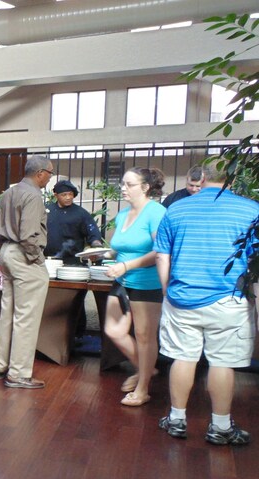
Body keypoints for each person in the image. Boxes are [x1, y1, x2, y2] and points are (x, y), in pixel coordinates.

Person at [154, 163, 258, 445]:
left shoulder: (177, 209)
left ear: (201, 178)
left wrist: (167, 291)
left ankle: (176, 419)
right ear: (232, 178)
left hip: (181, 297)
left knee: (183, 357)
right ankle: (221, 427)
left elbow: (162, 256)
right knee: (222, 363)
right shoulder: (251, 210)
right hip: (229, 299)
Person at [102, 168, 167, 407]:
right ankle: (145, 368)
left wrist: (127, 265)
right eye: (123, 183)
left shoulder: (156, 212)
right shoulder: (123, 215)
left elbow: (160, 251)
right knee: (113, 329)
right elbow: (118, 247)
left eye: (129, 184)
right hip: (122, 280)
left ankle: (143, 389)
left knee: (144, 336)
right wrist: (103, 254)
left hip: (146, 282)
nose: (123, 188)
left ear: (145, 187)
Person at [0, 155, 53, 389]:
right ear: (40, 173)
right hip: (25, 256)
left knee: (8, 312)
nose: (50, 178)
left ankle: (0, 365)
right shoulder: (34, 195)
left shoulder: (8, 193)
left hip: (6, 252)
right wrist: (37, 259)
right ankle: (18, 374)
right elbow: (28, 235)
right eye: (50, 173)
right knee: (26, 317)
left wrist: (6, 250)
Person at [44, 179, 104, 264]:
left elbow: (93, 233)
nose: (68, 197)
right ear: (56, 195)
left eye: (70, 194)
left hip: (72, 261)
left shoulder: (81, 213)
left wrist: (96, 245)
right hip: (47, 260)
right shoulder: (46, 210)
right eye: (64, 195)